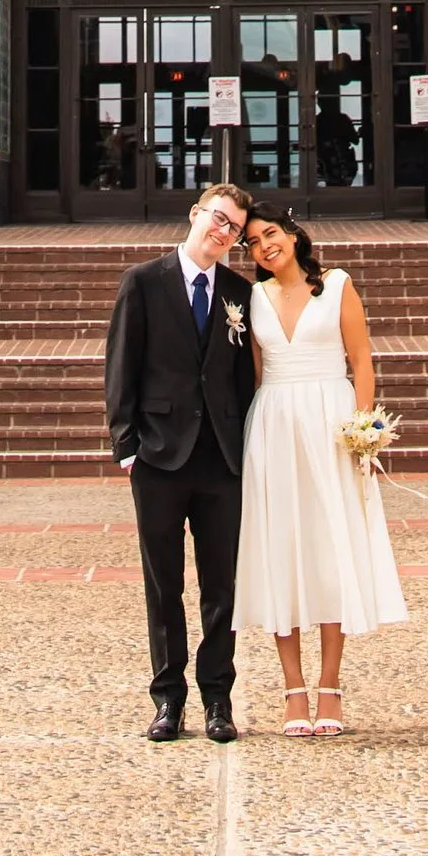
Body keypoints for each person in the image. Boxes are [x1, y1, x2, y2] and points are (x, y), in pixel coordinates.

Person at [236, 208, 409, 736]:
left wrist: (364, 432)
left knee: (331, 545)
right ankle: (292, 688)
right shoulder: (252, 299)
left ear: (292, 235)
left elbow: (362, 361)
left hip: (332, 424)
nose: (264, 246)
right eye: (252, 242)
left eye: (271, 234)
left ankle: (329, 685)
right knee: (281, 547)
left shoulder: (335, 285)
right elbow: (255, 373)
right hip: (274, 426)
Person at [102, 179, 257, 743]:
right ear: (195, 214)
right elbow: (121, 367)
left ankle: (219, 699)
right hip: (158, 458)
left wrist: (247, 452)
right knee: (162, 585)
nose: (224, 233)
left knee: (223, 586)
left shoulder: (241, 293)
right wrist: (126, 447)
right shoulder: (143, 283)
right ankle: (169, 699)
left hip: (221, 461)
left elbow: (245, 382)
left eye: (235, 229)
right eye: (218, 219)